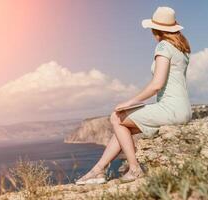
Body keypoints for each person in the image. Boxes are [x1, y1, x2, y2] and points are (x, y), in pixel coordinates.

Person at [75, 6, 192, 185]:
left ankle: (135, 169)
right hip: (183, 109)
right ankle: (98, 170)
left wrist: (130, 102)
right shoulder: (181, 49)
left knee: (116, 117)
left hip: (170, 109)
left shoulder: (163, 46)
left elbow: (157, 84)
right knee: (123, 128)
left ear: (156, 29)